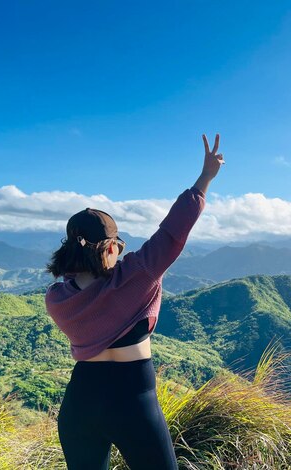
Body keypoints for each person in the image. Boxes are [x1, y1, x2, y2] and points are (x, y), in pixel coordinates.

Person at [45, 134, 224, 470]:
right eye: (119, 244)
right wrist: (205, 178)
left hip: (81, 401)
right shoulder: (137, 275)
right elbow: (173, 232)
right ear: (111, 247)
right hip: (133, 399)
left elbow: (85, 289)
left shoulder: (57, 298)